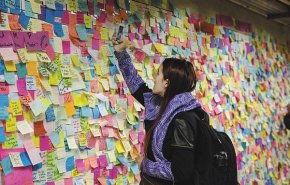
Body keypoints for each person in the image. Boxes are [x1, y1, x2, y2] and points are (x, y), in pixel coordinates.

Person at [112, 34, 207, 185]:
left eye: (158, 73)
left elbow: (181, 172)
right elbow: (137, 86)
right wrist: (121, 53)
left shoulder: (183, 120)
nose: (154, 77)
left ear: (167, 83)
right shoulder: (159, 104)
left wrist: (145, 164)